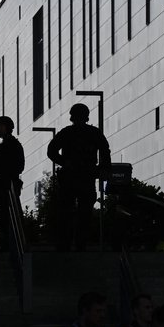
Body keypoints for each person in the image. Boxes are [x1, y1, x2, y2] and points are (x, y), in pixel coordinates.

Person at [48, 103, 111, 251]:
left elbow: (51, 151)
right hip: (78, 177)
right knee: (77, 213)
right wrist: (102, 169)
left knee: (74, 212)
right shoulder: (90, 133)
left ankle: (69, 244)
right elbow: (105, 152)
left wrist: (102, 169)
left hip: (81, 177)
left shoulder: (70, 133)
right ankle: (74, 243)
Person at [0, 115, 25, 250]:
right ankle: (6, 241)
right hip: (1, 183)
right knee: (3, 214)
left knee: (11, 214)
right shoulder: (0, 144)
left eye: (1, 126)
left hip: (9, 182)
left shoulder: (12, 144)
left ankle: (11, 243)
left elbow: (18, 166)